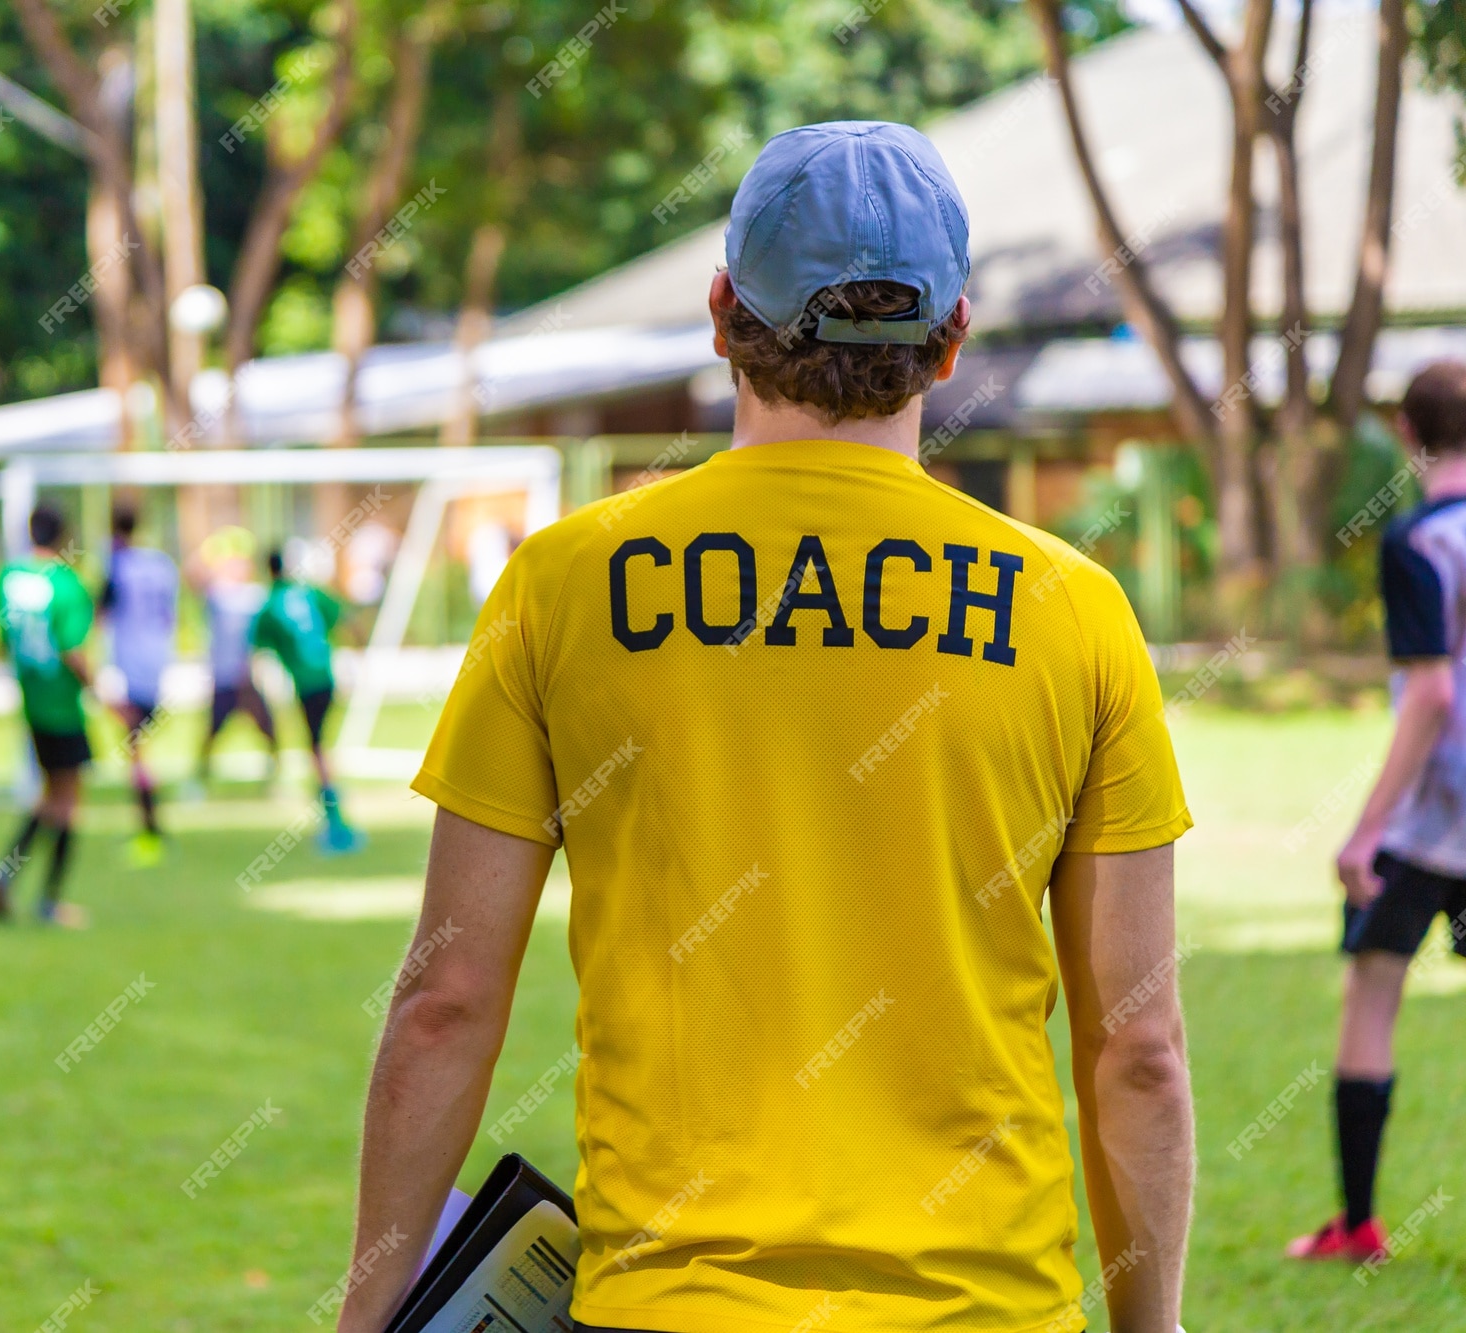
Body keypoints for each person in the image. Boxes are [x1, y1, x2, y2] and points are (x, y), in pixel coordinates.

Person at [335, 122, 1195, 1333]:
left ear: (722, 309)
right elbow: (1136, 1044)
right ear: (949, 340)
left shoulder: (561, 583)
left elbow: (447, 1000)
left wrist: (365, 1317)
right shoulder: (1075, 613)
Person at [1290, 360, 1466, 1264]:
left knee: (1372, 995)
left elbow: (1432, 696)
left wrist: (1365, 830)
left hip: (1430, 820)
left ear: (1406, 431)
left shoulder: (1416, 540)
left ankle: (1356, 1223)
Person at [0, 503, 94, 927]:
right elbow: (72, 651)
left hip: (31, 698)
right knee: (67, 800)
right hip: (63, 704)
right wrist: (100, 690)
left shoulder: (8, 579)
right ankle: (49, 900)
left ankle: (7, 876)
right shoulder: (67, 585)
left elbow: (3, 637)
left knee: (50, 795)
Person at [251, 548, 362, 853]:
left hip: (307, 684)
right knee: (318, 748)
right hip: (327, 677)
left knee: (317, 751)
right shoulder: (310, 592)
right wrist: (355, 652)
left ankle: (337, 824)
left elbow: (256, 651)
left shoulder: (270, 605)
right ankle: (333, 820)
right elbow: (346, 618)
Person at [100, 504, 177, 868]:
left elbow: (100, 613)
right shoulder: (160, 563)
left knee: (134, 748)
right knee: (136, 745)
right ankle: (149, 826)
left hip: (129, 665)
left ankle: (150, 829)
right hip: (158, 661)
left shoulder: (115, 565)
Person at [193, 530, 281, 790]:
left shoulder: (256, 595)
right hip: (224, 676)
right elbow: (195, 577)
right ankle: (199, 778)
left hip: (248, 677)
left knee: (268, 727)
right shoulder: (218, 594)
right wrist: (211, 552)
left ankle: (275, 776)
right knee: (213, 731)